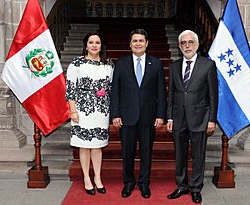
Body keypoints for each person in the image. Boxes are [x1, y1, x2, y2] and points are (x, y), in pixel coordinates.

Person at [110, 28, 167, 199]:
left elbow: (161, 93)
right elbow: (115, 91)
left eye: (141, 40)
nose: (138, 43)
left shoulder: (156, 64)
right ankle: (128, 183)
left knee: (146, 152)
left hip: (148, 117)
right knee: (127, 152)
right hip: (126, 117)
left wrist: (160, 115)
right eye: (135, 41)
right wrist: (115, 114)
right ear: (130, 44)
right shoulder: (121, 64)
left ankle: (144, 183)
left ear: (147, 43)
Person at [166, 30, 218, 204]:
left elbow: (213, 95)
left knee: (198, 156)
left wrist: (212, 119)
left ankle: (196, 188)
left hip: (200, 118)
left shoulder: (208, 65)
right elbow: (171, 95)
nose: (187, 45)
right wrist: (170, 118)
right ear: (180, 46)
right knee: (180, 155)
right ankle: (182, 186)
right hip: (179, 118)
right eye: (183, 43)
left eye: (190, 42)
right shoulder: (174, 66)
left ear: (196, 45)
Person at [66, 32, 113, 195]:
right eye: (91, 42)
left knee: (98, 146)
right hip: (81, 111)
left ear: (101, 46)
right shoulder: (76, 64)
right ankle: (87, 177)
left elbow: (111, 88)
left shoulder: (109, 65)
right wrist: (73, 111)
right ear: (86, 45)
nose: (94, 45)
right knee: (84, 146)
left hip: (101, 111)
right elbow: (70, 89)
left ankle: (98, 178)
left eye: (97, 43)